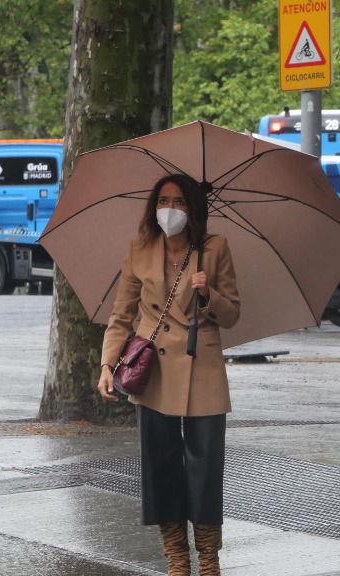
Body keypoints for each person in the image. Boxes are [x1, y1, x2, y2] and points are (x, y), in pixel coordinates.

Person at [97, 173, 240, 576]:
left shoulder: (214, 248)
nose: (169, 209)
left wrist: (208, 294)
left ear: (192, 209)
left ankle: (208, 560)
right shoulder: (139, 249)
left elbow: (233, 313)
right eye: (163, 201)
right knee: (160, 466)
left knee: (205, 468)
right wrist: (107, 365)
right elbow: (121, 315)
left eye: (178, 202)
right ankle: (177, 560)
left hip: (202, 367)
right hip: (153, 369)